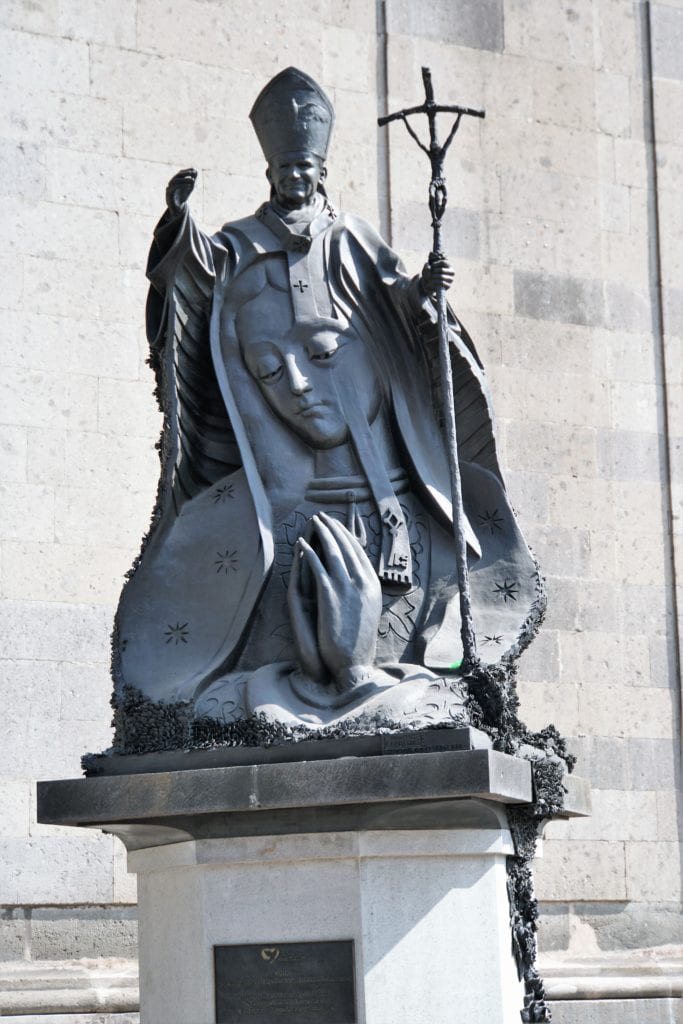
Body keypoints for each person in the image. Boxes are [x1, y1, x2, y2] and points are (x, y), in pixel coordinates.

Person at [113, 68, 543, 737]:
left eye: (307, 167)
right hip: (286, 501)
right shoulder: (240, 247)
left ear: (321, 169)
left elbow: (397, 307)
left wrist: (423, 293)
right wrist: (178, 227)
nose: (296, 179)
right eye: (286, 168)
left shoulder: (352, 241)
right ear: (271, 171)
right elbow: (195, 285)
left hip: (378, 488)